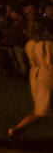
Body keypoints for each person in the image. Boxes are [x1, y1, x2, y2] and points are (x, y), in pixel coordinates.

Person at [7, 16, 52, 146]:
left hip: (36, 75)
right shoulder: (48, 45)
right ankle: (17, 130)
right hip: (48, 75)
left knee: (42, 108)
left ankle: (18, 131)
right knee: (42, 111)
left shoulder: (30, 44)